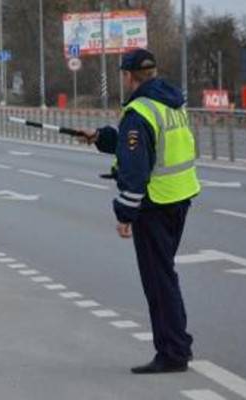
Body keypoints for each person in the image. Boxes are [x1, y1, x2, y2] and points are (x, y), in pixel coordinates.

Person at [82, 48, 201, 374]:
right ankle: (178, 345)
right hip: (180, 199)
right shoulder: (171, 103)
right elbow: (148, 146)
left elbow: (136, 172)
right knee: (166, 276)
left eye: (123, 75)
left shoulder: (139, 111)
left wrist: (124, 214)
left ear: (129, 76)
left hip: (155, 205)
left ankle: (173, 353)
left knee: (159, 281)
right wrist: (103, 138)